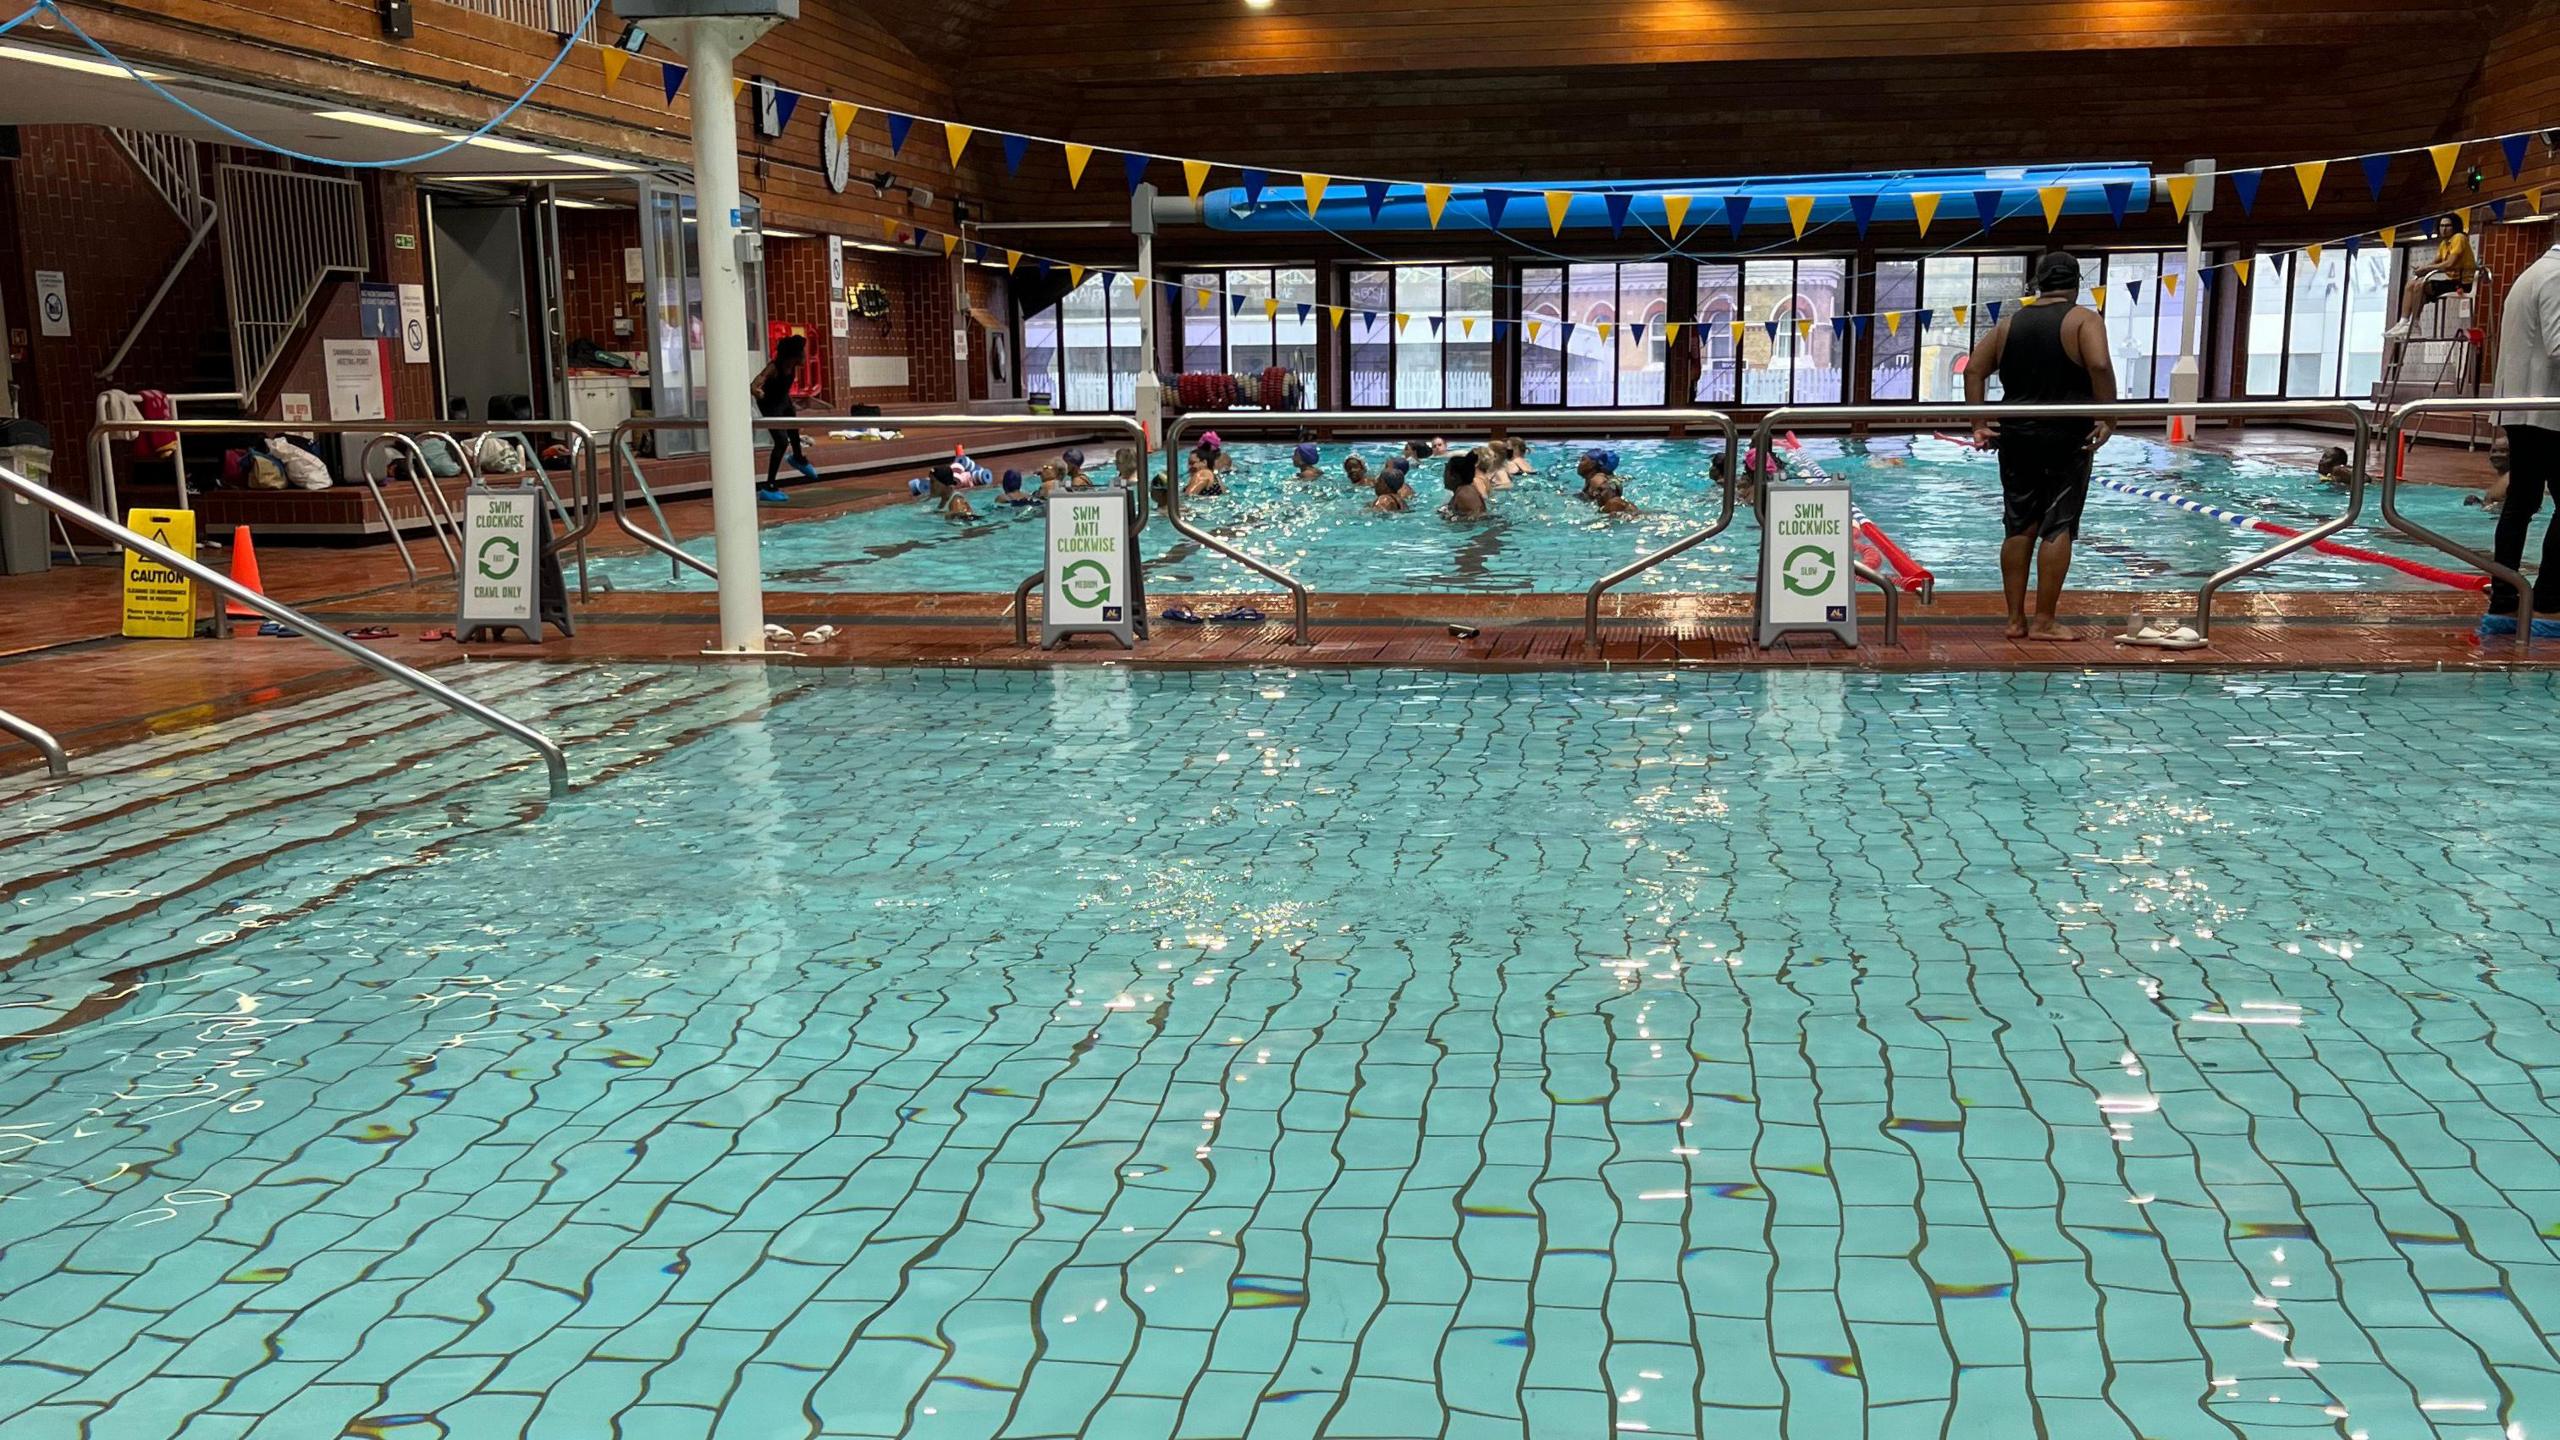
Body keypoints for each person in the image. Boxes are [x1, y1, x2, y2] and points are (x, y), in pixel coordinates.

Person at [1966, 250, 2118, 641]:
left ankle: (2015, 621)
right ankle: (2045, 621)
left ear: (2037, 283)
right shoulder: (2084, 319)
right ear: (2076, 284)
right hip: (2066, 435)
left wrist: (1980, 423)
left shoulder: (2009, 324)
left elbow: (1973, 369)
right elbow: (2099, 364)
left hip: (2016, 434)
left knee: (2018, 524)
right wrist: (2109, 416)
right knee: (2057, 524)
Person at [2486, 233, 2560, 636]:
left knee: (2521, 501)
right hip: (2545, 411)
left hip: (2524, 407)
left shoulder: (2532, 273)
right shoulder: (2556, 276)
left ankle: (2505, 597)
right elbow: (2558, 346)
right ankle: (2547, 597)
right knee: (2523, 503)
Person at [2386, 222, 2481, 342]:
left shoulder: (2459, 238)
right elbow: (2435, 262)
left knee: (2421, 285)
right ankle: (2403, 321)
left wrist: (2427, 269)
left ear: (2455, 227)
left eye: (2448, 226)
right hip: (2451, 281)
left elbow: (2449, 263)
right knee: (2411, 284)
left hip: (2462, 283)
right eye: (2442, 226)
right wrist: (2422, 269)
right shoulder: (2444, 244)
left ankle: (2414, 322)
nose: (2444, 229)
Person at [752, 334, 818, 504]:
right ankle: (769, 487)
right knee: (781, 442)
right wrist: (757, 391)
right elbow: (754, 384)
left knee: (794, 427)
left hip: (783, 401)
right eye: (802, 354)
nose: (804, 357)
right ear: (793, 356)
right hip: (769, 405)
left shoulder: (792, 367)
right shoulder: (774, 367)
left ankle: (797, 457)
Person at [2467, 433, 2511, 514]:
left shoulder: (2514, 478)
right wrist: (2479, 502)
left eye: (2503, 451)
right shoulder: (2503, 478)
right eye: (2494, 451)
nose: (2496, 455)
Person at [1443, 451, 1487, 516]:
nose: (1443, 476)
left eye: (1446, 471)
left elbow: (1475, 520)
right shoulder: (1462, 490)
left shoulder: (1465, 494)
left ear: (1454, 476)